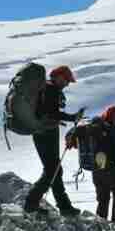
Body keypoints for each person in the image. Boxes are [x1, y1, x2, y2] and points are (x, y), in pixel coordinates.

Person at [24, 65, 84, 217]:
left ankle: (64, 207)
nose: (67, 84)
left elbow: (47, 112)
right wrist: (72, 117)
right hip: (45, 134)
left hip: (43, 132)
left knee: (55, 169)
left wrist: (59, 119)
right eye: (66, 80)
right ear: (58, 77)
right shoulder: (50, 89)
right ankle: (31, 203)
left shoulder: (47, 88)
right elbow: (51, 112)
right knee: (52, 170)